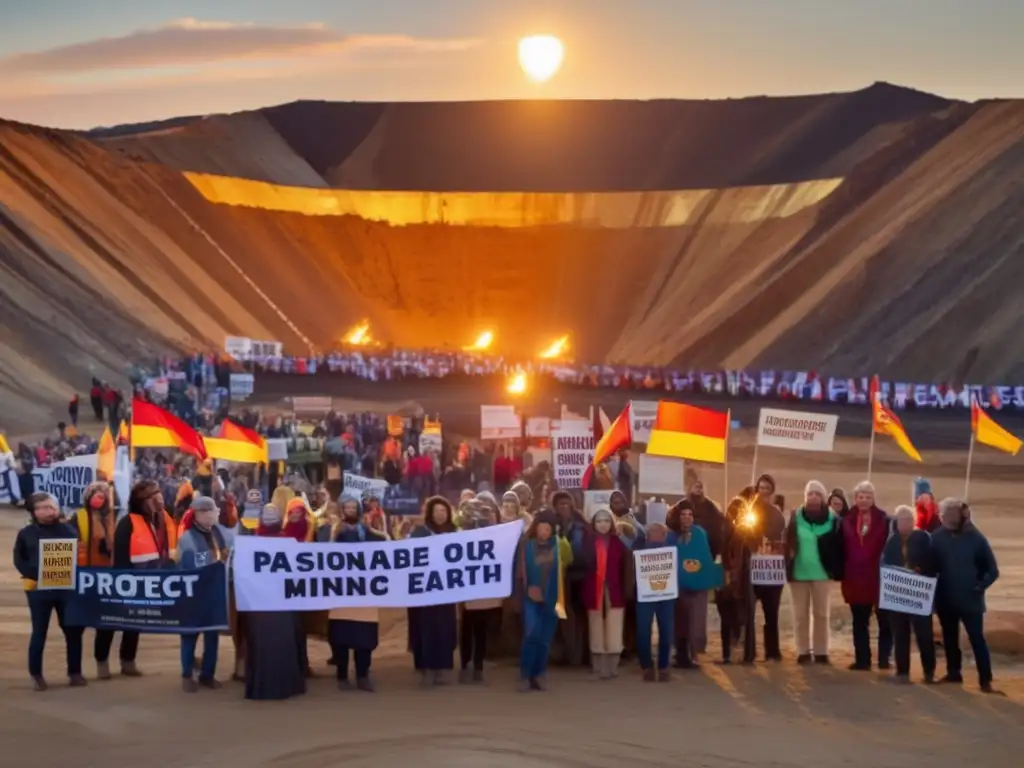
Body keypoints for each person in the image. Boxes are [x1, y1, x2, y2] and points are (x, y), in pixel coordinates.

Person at [13, 492, 85, 691]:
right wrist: (37, 574)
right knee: (39, 632)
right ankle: (36, 674)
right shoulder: (26, 533)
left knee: (73, 630)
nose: (49, 511)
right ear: (34, 511)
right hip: (38, 590)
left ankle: (75, 672)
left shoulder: (69, 530)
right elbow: (19, 560)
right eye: (44, 507)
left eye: (52, 506)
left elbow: (77, 557)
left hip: (65, 589)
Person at [112, 479, 179, 676]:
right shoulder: (127, 523)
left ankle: (128, 660)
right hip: (129, 579)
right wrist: (123, 579)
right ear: (142, 500)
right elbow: (121, 554)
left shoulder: (162, 519)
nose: (158, 497)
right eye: (152, 494)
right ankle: (102, 661)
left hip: (151, 578)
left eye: (158, 492)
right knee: (110, 621)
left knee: (135, 622)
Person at [931, 498, 999, 692]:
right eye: (941, 515)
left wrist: (979, 586)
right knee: (949, 637)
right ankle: (954, 673)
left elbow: (992, 570)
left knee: (976, 639)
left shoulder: (976, 538)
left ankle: (985, 680)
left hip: (971, 601)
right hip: (946, 599)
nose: (942, 518)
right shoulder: (936, 538)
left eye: (945, 515)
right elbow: (931, 567)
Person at [245, 504, 307, 700]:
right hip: (282, 603)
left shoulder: (252, 543)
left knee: (262, 644)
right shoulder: (287, 542)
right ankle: (287, 685)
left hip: (260, 605)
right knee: (283, 642)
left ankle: (261, 687)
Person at [325, 496, 385, 692]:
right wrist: (333, 537)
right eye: (347, 507)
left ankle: (362, 675)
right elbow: (323, 553)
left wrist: (383, 531)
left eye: (354, 507)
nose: (351, 510)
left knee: (364, 636)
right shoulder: (335, 529)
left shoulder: (366, 530)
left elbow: (384, 543)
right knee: (341, 635)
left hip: (365, 590)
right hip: (341, 590)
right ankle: (341, 676)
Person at [784, 480, 842, 665]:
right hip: (799, 573)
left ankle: (821, 651)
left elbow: (837, 545)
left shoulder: (832, 518)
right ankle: (802, 651)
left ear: (823, 497)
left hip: (821, 574)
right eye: (810, 494)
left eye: (817, 494)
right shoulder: (795, 516)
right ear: (805, 496)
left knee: (822, 614)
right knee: (800, 615)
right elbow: (787, 541)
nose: (814, 497)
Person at [175, 496, 228, 692]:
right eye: (212, 511)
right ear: (201, 514)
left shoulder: (217, 533)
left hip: (213, 595)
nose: (215, 514)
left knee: (212, 635)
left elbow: (224, 555)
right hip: (193, 596)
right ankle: (187, 675)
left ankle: (208, 674)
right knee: (189, 635)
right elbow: (187, 567)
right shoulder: (187, 539)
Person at [516, 508, 572, 691]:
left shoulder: (559, 545)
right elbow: (519, 573)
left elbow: (569, 560)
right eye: (541, 528)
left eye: (548, 529)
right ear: (536, 528)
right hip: (530, 597)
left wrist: (563, 541)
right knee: (531, 635)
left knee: (545, 639)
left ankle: (538, 675)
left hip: (553, 598)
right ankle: (525, 675)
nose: (544, 532)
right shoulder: (526, 545)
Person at [70, 481, 121, 679]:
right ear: (88, 496)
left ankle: (102, 662)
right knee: (78, 623)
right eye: (96, 494)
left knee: (106, 623)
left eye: (103, 495)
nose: (100, 498)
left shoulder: (111, 519)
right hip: (83, 576)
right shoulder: (78, 517)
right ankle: (75, 670)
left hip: (106, 576)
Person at [840, 481, 892, 671]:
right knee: (859, 622)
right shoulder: (846, 520)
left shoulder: (884, 520)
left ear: (873, 499)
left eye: (867, 496)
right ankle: (863, 660)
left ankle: (885, 659)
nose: (864, 500)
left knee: (884, 622)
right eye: (860, 496)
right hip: (855, 578)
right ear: (855, 499)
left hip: (879, 579)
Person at [881, 505, 936, 684]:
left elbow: (932, 561)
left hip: (919, 593)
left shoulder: (923, 538)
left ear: (914, 522)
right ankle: (902, 671)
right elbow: (885, 563)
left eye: (908, 520)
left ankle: (929, 672)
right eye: (901, 520)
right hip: (898, 593)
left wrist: (921, 570)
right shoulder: (892, 541)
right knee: (900, 632)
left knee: (924, 634)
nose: (904, 523)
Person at [408, 496, 459, 687]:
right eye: (437, 510)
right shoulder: (420, 532)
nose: (440, 514)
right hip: (424, 591)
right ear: (430, 512)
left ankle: (441, 668)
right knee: (426, 629)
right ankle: (426, 669)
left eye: (444, 510)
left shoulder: (454, 532)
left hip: (446, 590)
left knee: (444, 629)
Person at [581, 508, 633, 680]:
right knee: (595, 625)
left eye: (606, 521)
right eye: (599, 521)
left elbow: (626, 568)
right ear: (594, 524)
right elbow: (582, 566)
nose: (603, 524)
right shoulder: (587, 542)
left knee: (614, 625)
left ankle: (612, 665)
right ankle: (598, 665)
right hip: (593, 590)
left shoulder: (619, 543)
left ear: (611, 523)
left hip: (614, 590)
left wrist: (627, 590)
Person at [458, 497, 501, 683]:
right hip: (467, 589)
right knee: (467, 629)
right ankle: (466, 664)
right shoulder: (461, 534)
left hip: (485, 589)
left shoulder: (496, 533)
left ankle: (478, 666)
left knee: (481, 629)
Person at [672, 500, 719, 668]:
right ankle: (680, 654)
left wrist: (710, 576)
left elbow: (705, 556)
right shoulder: (673, 535)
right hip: (678, 584)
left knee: (696, 621)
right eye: (683, 515)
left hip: (698, 583)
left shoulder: (700, 533)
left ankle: (694, 655)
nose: (686, 518)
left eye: (689, 515)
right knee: (680, 621)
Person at [750, 474, 787, 662]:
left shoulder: (777, 514)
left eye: (767, 488)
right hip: (751, 569)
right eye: (761, 487)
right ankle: (748, 651)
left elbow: (781, 537)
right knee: (748, 613)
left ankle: (772, 651)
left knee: (771, 612)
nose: (764, 491)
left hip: (771, 569)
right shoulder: (747, 511)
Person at [634, 522, 675, 682]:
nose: (658, 535)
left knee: (665, 631)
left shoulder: (671, 552)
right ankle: (648, 666)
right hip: (646, 595)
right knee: (645, 631)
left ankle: (662, 666)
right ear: (647, 535)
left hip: (665, 595)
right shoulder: (639, 552)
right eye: (654, 532)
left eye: (661, 533)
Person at [552, 491, 589, 666]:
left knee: (578, 617)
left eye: (567, 504)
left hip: (578, 577)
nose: (564, 507)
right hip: (558, 577)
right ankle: (569, 653)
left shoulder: (582, 526)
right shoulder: (551, 525)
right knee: (563, 618)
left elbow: (584, 551)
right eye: (560, 504)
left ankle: (578, 656)